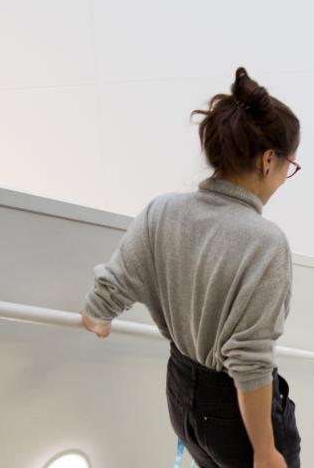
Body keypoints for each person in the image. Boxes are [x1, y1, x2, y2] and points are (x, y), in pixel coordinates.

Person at [79, 67, 302, 468]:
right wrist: (266, 452)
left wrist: (99, 318)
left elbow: (109, 289)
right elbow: (250, 361)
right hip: (238, 419)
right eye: (290, 167)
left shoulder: (162, 211)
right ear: (269, 160)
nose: (286, 177)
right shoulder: (265, 242)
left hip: (181, 395)